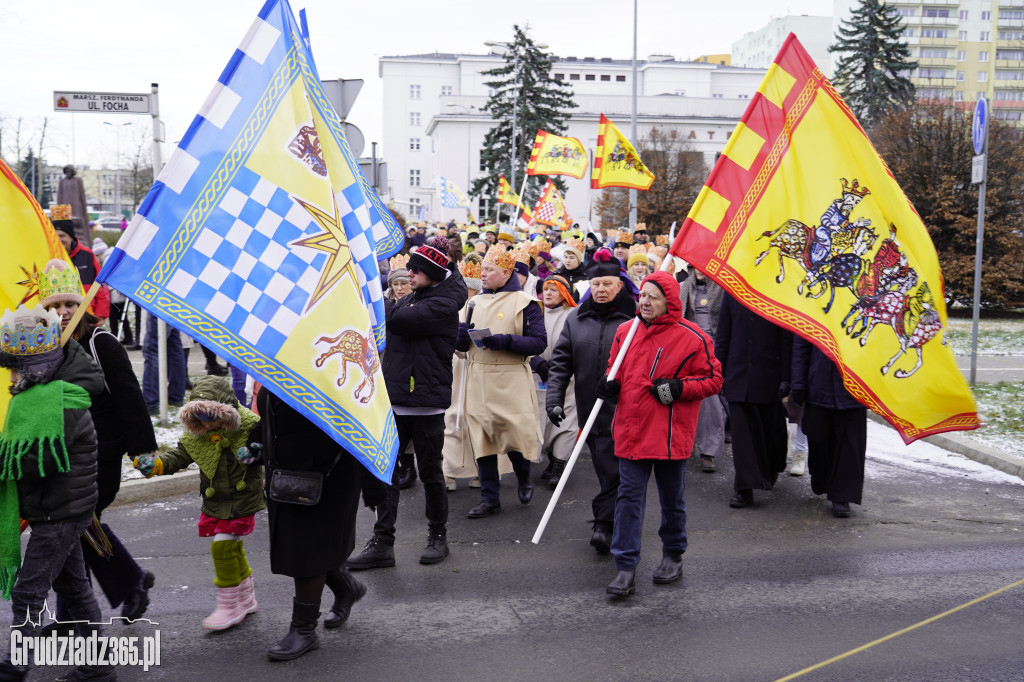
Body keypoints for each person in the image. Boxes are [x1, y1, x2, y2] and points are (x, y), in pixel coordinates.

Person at [39, 259, 158, 623]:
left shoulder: (99, 341)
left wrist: (142, 449)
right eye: (54, 307)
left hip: (100, 455)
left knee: (75, 526)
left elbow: (128, 395)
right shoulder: (46, 348)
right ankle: (73, 617)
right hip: (64, 457)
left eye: (69, 305)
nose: (62, 313)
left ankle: (127, 584)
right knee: (68, 533)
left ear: (82, 306)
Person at [0, 305, 114, 681]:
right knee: (75, 587)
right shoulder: (40, 400)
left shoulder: (59, 403)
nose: (12, 376)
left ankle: (16, 668)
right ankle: (98, 667)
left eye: (16, 368)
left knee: (28, 592)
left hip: (60, 514)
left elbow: (38, 461)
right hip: (56, 510)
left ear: (36, 369)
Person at [598, 272, 722, 598]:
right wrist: (609, 385)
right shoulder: (626, 331)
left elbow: (712, 380)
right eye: (642, 295)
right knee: (628, 500)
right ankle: (625, 567)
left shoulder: (693, 337)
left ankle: (673, 553)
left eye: (653, 297)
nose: (644, 302)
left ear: (669, 300)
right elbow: (615, 370)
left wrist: (680, 388)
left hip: (669, 435)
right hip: (631, 431)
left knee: (672, 500)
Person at [346, 242, 466, 569]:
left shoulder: (443, 303)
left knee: (430, 474)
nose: (409, 274)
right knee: (387, 473)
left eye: (415, 270)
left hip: (425, 404)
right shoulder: (417, 296)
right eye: (408, 269)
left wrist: (372, 292)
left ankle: (437, 536)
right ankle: (383, 541)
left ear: (433, 273)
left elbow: (394, 321)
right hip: (397, 401)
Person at [133, 376, 264, 631]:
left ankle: (228, 605)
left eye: (211, 416)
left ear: (226, 412)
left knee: (222, 547)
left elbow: (266, 447)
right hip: (217, 499)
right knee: (233, 547)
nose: (206, 423)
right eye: (200, 417)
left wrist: (256, 453)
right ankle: (246, 598)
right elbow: (179, 456)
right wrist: (157, 465)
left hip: (243, 497)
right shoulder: (198, 436)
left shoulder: (249, 427)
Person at [252, 388, 365, 661]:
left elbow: (362, 425)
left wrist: (376, 487)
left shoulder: (331, 370)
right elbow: (270, 415)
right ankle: (346, 587)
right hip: (287, 475)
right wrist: (255, 443)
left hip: (327, 477)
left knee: (306, 551)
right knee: (299, 545)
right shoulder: (284, 363)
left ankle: (303, 630)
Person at [546, 248, 636, 553]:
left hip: (626, 412)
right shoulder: (576, 319)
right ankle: (611, 519)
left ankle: (604, 524)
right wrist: (554, 400)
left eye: (607, 284)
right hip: (590, 411)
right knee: (605, 468)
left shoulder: (636, 319)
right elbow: (561, 364)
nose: (600, 290)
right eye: (596, 285)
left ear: (619, 285)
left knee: (616, 471)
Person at [456, 245, 546, 518]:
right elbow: (461, 350)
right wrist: (459, 338)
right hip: (478, 378)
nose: (483, 274)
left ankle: (523, 476)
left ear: (506, 272)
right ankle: (489, 498)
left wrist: (506, 341)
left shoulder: (524, 303)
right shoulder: (472, 303)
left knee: (513, 435)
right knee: (482, 441)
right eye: (482, 269)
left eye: (489, 270)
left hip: (510, 378)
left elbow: (539, 342)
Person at [715, 294, 793, 509]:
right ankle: (744, 488)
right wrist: (717, 372)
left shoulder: (777, 290)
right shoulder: (731, 292)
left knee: (769, 429)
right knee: (742, 435)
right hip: (737, 372)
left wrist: (786, 376)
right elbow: (723, 334)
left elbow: (786, 337)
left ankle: (771, 467)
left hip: (769, 373)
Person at [790, 337, 867, 518]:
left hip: (853, 388)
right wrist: (798, 384)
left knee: (850, 446)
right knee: (818, 436)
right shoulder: (813, 308)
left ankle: (842, 496)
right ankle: (821, 477)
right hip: (818, 386)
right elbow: (801, 347)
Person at [531, 275, 578, 490]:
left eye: (554, 290)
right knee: (542, 421)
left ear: (564, 293)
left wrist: (562, 367)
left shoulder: (573, 316)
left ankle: (559, 465)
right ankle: (550, 460)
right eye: (545, 289)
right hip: (538, 378)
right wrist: (537, 362)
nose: (548, 293)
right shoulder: (534, 313)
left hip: (567, 380)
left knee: (565, 423)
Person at [679, 266, 725, 474]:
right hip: (688, 346)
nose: (699, 270)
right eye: (694, 266)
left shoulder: (722, 289)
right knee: (681, 393)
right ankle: (684, 445)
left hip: (715, 347)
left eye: (703, 266)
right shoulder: (682, 287)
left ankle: (708, 451)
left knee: (710, 397)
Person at [50, 209, 110, 321]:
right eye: (55, 235)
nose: (59, 239)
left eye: (62, 235)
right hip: (58, 317)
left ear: (71, 236)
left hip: (86, 316)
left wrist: (101, 314)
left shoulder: (87, 255)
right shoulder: (48, 257)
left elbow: (100, 285)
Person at [56, 166, 90, 244]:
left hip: (76, 207)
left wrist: (84, 208)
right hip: (65, 207)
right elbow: (59, 195)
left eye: (70, 171)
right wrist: (59, 208)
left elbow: (82, 195)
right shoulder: (62, 181)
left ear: (73, 172)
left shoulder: (78, 180)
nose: (68, 173)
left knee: (77, 222)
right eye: (66, 171)